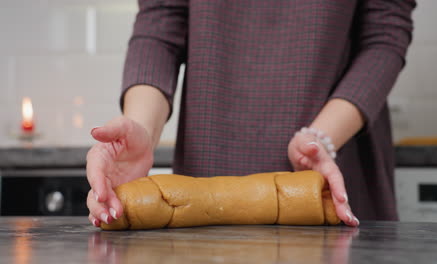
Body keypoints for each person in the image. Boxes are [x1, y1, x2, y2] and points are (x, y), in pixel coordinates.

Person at [86, 0, 416, 228]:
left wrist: (320, 140)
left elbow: (384, 36)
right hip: (205, 172)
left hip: (330, 178)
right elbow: (160, 25)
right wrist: (141, 127)